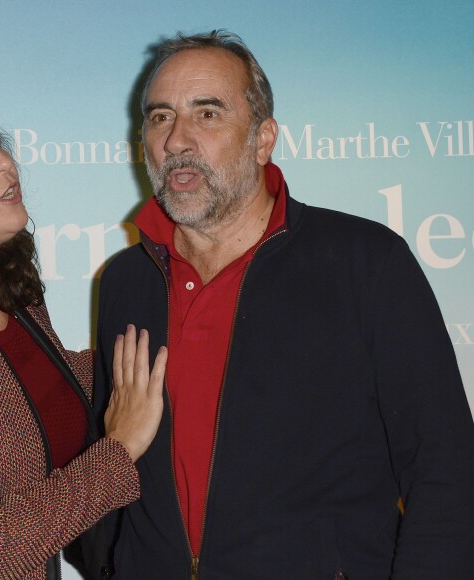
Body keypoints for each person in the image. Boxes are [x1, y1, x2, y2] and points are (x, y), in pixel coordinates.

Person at [90, 31, 474, 579]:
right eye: (159, 117)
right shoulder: (126, 280)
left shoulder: (366, 263)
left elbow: (446, 469)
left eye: (207, 114)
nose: (176, 139)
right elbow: (113, 466)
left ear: (263, 138)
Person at [0, 70, 167, 580]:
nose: (3, 162)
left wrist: (171, 340)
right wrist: (119, 450)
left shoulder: (16, 299)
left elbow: (36, 396)